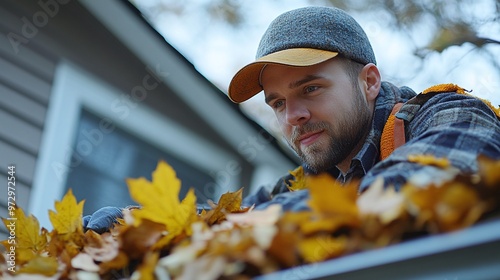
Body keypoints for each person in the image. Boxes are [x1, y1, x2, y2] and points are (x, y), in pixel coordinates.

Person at [84, 6, 500, 232]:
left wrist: (272, 219)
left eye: (310, 89)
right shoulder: (309, 181)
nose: (294, 116)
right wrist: (135, 223)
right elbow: (232, 217)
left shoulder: (451, 114)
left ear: (369, 81)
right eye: (278, 103)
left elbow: (428, 184)